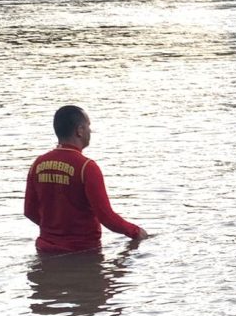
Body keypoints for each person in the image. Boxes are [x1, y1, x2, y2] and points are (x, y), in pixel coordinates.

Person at [24, 105, 148, 253]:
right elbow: (106, 217)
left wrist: (55, 231)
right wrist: (136, 232)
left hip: (45, 249)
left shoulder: (38, 164)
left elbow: (29, 211)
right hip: (82, 252)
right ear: (79, 130)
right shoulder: (87, 167)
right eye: (88, 126)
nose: (90, 131)